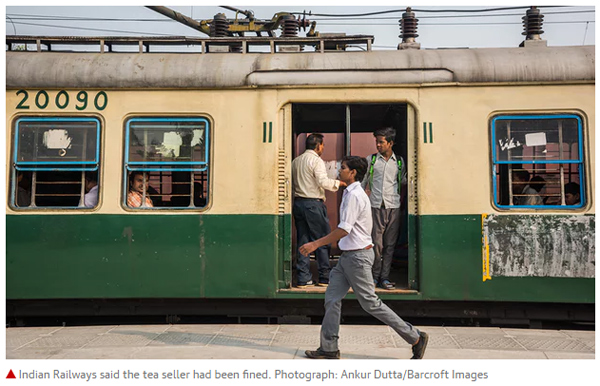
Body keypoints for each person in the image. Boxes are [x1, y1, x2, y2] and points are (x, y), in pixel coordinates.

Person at [301, 156, 428, 360]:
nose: (338, 171)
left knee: (371, 303)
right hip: (347, 258)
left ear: (352, 173)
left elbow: (343, 229)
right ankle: (329, 347)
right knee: (332, 299)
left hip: (358, 257)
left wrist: (315, 244)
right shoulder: (351, 193)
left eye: (342, 168)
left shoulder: (354, 196)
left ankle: (414, 337)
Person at [292, 133, 346, 287]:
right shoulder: (316, 161)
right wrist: (340, 184)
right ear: (318, 145)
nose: (323, 148)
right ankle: (324, 277)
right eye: (322, 145)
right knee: (322, 239)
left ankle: (303, 278)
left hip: (299, 204)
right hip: (313, 204)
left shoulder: (296, 161)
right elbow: (323, 182)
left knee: (303, 240)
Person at [361, 127, 406, 290]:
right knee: (376, 245)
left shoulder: (399, 162)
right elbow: (363, 182)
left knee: (390, 245)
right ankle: (373, 277)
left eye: (381, 142)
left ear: (391, 143)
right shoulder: (371, 160)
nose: (378, 145)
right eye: (377, 142)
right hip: (375, 207)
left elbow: (403, 182)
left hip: (393, 207)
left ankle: (384, 278)